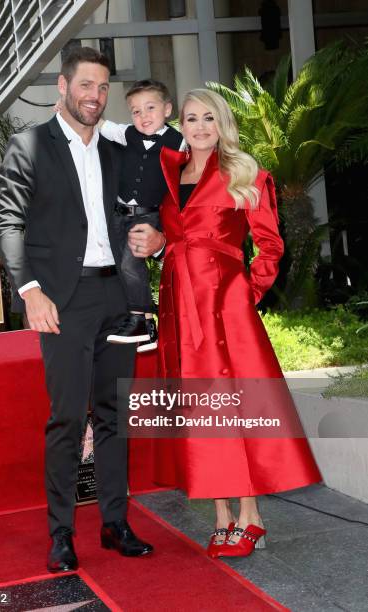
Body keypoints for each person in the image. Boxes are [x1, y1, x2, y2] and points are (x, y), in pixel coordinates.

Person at [0, 46, 163, 572]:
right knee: (68, 419)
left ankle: (115, 524)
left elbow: (151, 198)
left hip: (118, 296)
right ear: (62, 87)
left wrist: (156, 236)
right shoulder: (28, 146)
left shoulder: (116, 147)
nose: (95, 96)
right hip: (62, 301)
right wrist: (30, 291)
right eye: (86, 85)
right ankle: (62, 535)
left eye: (103, 87)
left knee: (115, 415)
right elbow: (8, 223)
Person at [149, 89, 321, 558]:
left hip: (226, 311)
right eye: (191, 118)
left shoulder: (246, 173)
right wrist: (158, 243)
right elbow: (176, 237)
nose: (200, 126)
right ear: (179, 124)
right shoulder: (168, 173)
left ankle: (251, 515)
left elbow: (270, 245)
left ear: (222, 122)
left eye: (209, 117)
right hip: (178, 308)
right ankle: (221, 514)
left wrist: (247, 294)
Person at [100, 79, 184, 352]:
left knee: (130, 263)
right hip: (119, 213)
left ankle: (139, 319)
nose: (143, 116)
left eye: (150, 108)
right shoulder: (127, 134)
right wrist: (65, 113)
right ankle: (147, 326)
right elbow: (101, 125)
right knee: (119, 264)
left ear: (167, 109)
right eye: (136, 111)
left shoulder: (180, 142)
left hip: (147, 215)